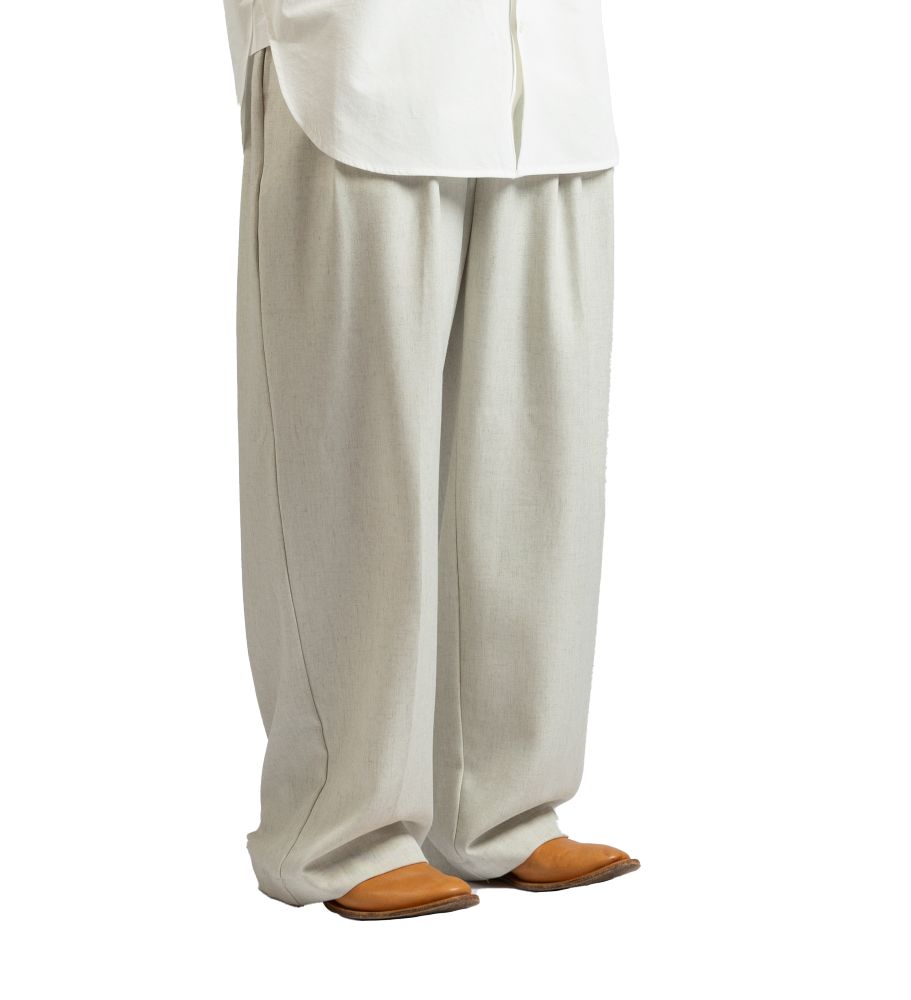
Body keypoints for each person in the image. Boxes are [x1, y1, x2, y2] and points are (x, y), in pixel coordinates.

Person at [223, 0, 640, 921]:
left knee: (537, 466)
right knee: (355, 464)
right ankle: (339, 831)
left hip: (550, 76)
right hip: (361, 62)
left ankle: (506, 812)